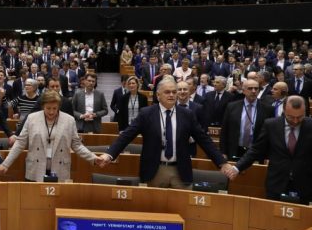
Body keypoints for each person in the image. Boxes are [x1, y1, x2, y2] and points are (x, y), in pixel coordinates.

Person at [97, 77, 228, 189]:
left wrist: (221, 162)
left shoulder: (187, 114)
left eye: (173, 92)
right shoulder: (146, 113)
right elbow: (126, 135)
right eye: (167, 92)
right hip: (155, 170)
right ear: (158, 95)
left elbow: (203, 139)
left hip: (180, 171)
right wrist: (109, 154)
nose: (171, 95)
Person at [223, 96, 312, 203]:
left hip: (306, 184)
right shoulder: (271, 125)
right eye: (290, 117)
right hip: (276, 183)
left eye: (300, 117)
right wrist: (237, 168)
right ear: (283, 110)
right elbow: (256, 150)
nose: (295, 121)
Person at [0, 90, 98, 182]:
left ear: (59, 106)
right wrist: (6, 164)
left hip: (60, 169)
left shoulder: (69, 120)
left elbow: (77, 145)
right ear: (42, 106)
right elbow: (20, 143)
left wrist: (93, 158)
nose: (51, 112)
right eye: (48, 108)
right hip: (36, 168)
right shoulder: (32, 118)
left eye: (54, 108)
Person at [220, 79, 274, 160]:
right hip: (235, 149)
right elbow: (224, 131)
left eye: (256, 89)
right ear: (243, 90)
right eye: (250, 88)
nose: (253, 91)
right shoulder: (231, 107)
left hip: (256, 152)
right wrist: (223, 152)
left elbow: (270, 135)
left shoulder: (268, 109)